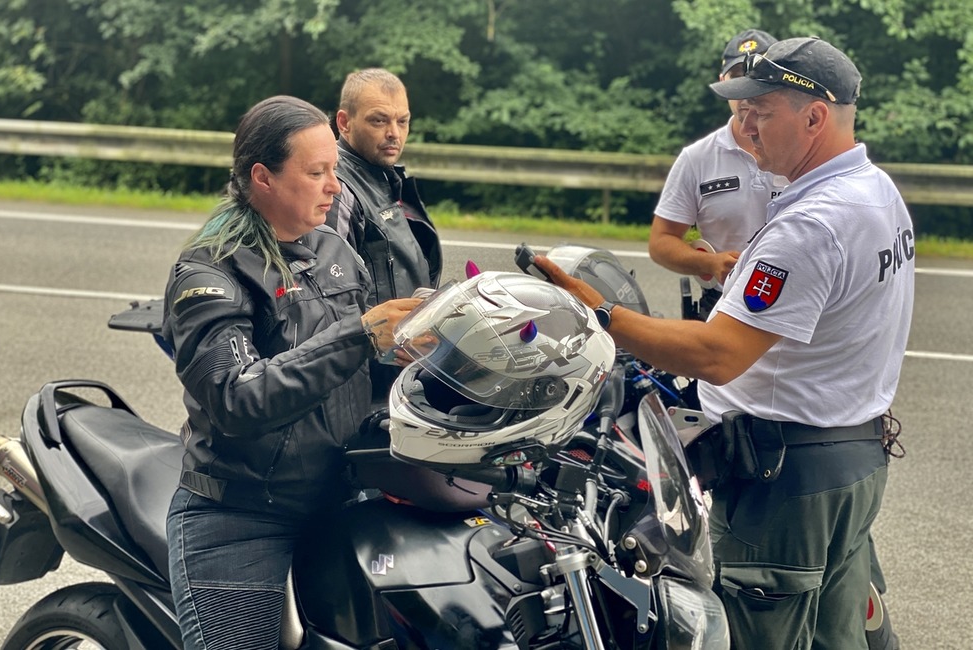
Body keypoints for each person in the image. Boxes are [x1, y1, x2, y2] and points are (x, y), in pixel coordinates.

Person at [534, 37, 913, 650]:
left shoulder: (809, 226)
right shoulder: (878, 193)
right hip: (854, 457)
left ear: (814, 116)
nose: (747, 128)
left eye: (762, 112)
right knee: (837, 638)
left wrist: (597, 312)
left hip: (788, 479)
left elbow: (717, 354)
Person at [160, 95, 420, 650]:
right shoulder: (208, 271)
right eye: (317, 171)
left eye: (335, 169)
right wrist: (362, 334)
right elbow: (236, 398)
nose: (337, 186)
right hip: (241, 510)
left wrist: (415, 349)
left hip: (344, 492)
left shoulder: (330, 246)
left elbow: (349, 359)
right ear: (264, 177)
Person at [649, 28, 787, 319]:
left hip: (794, 303)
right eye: (738, 75)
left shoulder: (800, 152)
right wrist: (710, 263)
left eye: (758, 76)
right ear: (723, 80)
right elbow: (661, 242)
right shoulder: (697, 158)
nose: (746, 90)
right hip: (722, 307)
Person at [326, 67, 442, 403]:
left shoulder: (387, 179)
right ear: (344, 123)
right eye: (379, 121)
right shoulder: (337, 189)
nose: (394, 133)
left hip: (400, 373)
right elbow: (327, 302)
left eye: (402, 121)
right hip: (363, 385)